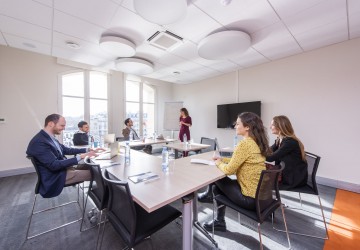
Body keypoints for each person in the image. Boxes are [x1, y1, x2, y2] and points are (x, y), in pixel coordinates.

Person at [203, 112, 271, 232]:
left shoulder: (244, 144)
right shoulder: (256, 142)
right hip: (262, 197)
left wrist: (218, 163)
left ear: (247, 127)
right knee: (217, 188)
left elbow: (229, 170)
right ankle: (219, 220)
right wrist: (222, 159)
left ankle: (218, 217)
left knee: (216, 178)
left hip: (250, 200)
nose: (235, 126)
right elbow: (239, 161)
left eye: (237, 123)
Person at [26, 114, 103, 198]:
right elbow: (54, 165)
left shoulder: (48, 137)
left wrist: (88, 150)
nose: (64, 128)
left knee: (94, 167)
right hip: (56, 177)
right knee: (100, 174)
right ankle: (102, 202)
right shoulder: (39, 142)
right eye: (62, 125)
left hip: (63, 170)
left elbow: (66, 150)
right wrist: (81, 156)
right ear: (51, 124)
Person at [266, 115, 308, 190]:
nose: (270, 127)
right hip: (286, 173)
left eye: (272, 125)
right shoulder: (279, 139)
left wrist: (256, 153)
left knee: (262, 185)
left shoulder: (290, 142)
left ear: (280, 126)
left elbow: (270, 158)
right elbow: (268, 151)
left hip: (293, 179)